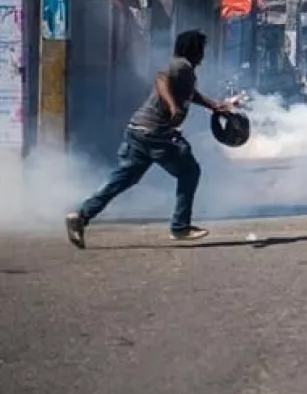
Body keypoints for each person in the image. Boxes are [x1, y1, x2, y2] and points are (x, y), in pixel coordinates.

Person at [64, 29, 235, 248]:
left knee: (123, 179)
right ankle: (180, 226)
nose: (203, 54)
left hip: (138, 130)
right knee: (189, 171)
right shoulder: (181, 65)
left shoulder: (185, 70)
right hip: (155, 133)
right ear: (194, 49)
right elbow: (162, 79)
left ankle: (80, 216)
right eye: (201, 49)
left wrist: (213, 106)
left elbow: (189, 93)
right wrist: (173, 106)